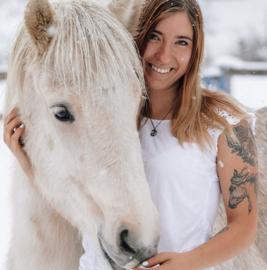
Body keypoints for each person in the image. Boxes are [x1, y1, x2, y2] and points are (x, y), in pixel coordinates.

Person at [3, 0, 258, 269]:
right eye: (154, 37)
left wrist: (182, 264)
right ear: (138, 36)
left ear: (195, 50)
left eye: (181, 42)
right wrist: (29, 165)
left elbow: (243, 227)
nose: (163, 55)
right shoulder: (113, 118)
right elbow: (86, 201)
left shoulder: (226, 125)